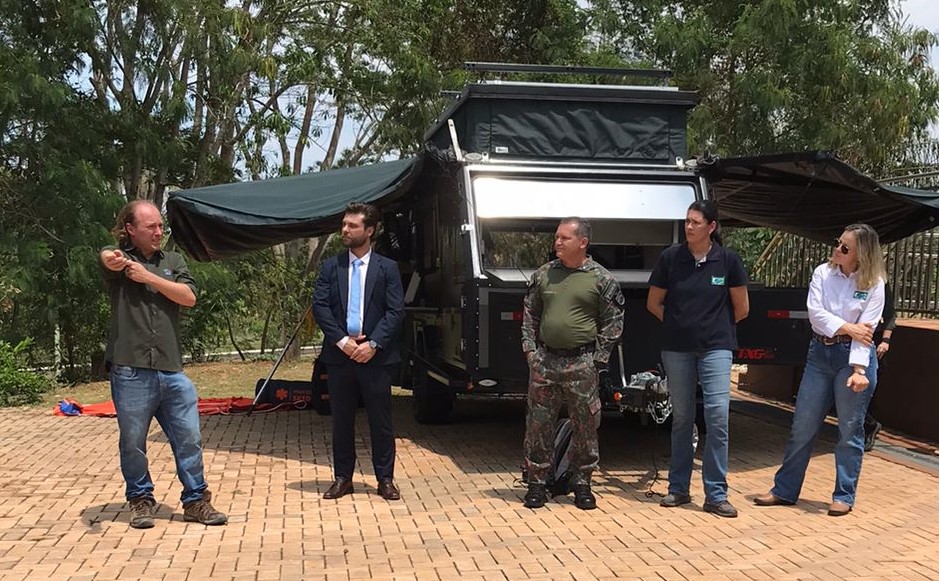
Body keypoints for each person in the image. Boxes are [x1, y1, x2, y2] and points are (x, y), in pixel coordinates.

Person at [99, 200, 227, 529]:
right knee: (133, 441)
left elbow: (189, 297)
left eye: (160, 226)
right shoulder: (121, 261)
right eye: (150, 227)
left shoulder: (172, 260)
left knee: (189, 437)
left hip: (171, 369)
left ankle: (196, 501)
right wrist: (114, 259)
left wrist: (149, 277)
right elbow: (106, 259)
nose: (158, 232)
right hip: (130, 369)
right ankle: (141, 500)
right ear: (130, 230)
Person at [755, 223, 885, 517]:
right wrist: (847, 326)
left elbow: (866, 332)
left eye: (845, 247)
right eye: (838, 242)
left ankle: (843, 495)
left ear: (861, 254)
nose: (837, 249)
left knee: (849, 430)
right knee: (802, 425)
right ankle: (784, 490)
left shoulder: (874, 282)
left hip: (853, 359)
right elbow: (816, 315)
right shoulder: (822, 273)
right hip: (819, 353)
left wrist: (859, 369)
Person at [646, 199, 750, 518]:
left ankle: (716, 494)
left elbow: (742, 308)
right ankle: (678, 489)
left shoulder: (728, 261)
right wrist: (680, 324)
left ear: (711, 227)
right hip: (677, 349)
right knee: (682, 417)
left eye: (695, 222)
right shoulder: (670, 258)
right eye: (687, 221)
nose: (688, 227)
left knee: (718, 417)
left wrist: (712, 328)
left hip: (716, 348)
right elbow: (654, 303)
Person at [521, 217, 624, 510]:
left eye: (564, 238)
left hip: (582, 363)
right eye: (556, 237)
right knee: (538, 425)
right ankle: (537, 483)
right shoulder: (543, 276)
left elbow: (613, 321)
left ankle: (582, 483)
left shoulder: (601, 279)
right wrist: (531, 352)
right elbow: (530, 314)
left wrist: (598, 360)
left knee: (585, 426)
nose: (557, 243)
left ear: (583, 242)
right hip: (546, 362)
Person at [312, 203, 405, 501]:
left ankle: (385, 479)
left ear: (369, 230)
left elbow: (396, 311)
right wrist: (342, 341)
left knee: (381, 420)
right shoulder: (331, 267)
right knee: (341, 419)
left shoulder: (387, 268)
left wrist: (373, 344)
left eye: (352, 226)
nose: (345, 230)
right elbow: (321, 307)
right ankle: (343, 478)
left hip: (375, 358)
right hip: (340, 357)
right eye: (344, 225)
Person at [863, 283, 896, 451]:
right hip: (851, 339)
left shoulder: (880, 283)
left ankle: (869, 427)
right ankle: (867, 425)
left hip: (873, 340)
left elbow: (890, 315)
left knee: (869, 387)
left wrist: (885, 341)